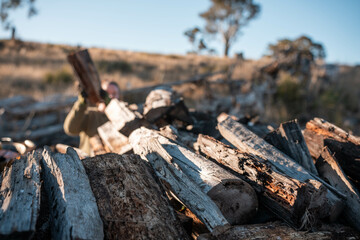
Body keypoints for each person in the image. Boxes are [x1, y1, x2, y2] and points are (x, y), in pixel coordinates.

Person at [63, 81, 120, 155]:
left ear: (119, 95)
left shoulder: (125, 115)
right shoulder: (90, 114)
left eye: (114, 93)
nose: (111, 96)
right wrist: (81, 104)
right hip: (89, 161)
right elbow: (70, 129)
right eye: (106, 93)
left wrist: (109, 104)